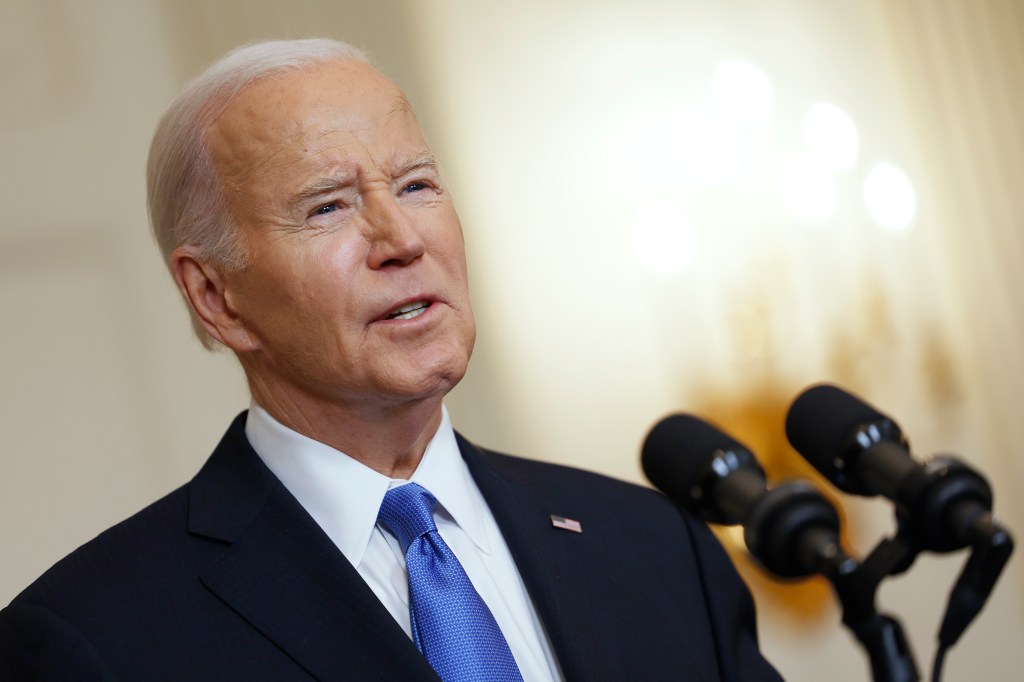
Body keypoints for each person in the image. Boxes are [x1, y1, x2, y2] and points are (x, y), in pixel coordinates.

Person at [0, 38, 783, 681]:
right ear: (215, 296)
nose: (403, 240)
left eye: (415, 185)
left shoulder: (651, 546)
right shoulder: (90, 641)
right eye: (329, 206)